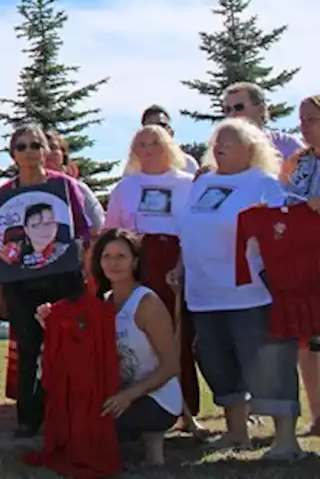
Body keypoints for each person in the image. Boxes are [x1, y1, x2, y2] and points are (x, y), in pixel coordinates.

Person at [170, 118, 304, 460]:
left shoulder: (264, 184)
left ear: (251, 148)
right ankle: (236, 431)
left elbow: (282, 236)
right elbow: (189, 231)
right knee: (217, 362)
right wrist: (180, 267)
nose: (219, 147)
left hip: (250, 294)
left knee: (268, 362)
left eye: (228, 141)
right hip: (203, 294)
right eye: (216, 141)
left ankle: (286, 440)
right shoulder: (203, 182)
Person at [50, 229, 181, 467]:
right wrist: (49, 322)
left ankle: (150, 438)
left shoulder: (147, 303)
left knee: (91, 426)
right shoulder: (105, 300)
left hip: (156, 397)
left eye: (121, 256)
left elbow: (171, 366)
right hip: (118, 393)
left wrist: (129, 396)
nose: (113, 263)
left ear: (135, 262)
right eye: (107, 256)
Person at [103, 124, 203, 436]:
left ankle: (188, 410)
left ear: (169, 146)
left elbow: (194, 228)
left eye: (154, 143)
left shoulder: (187, 183)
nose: (148, 150)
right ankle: (140, 405)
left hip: (176, 260)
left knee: (179, 335)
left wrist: (181, 264)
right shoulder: (126, 187)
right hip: (137, 260)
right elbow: (111, 231)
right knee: (139, 338)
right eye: (141, 144)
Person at [0, 123, 89, 438]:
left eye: (36, 145)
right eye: (22, 146)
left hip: (63, 278)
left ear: (47, 150)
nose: (30, 152)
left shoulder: (65, 185)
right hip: (21, 282)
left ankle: (72, 410)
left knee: (68, 345)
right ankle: (29, 417)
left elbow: (84, 230)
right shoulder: (4, 194)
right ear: (13, 154)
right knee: (29, 347)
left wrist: (85, 266)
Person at [280, 94, 320, 434]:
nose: (304, 126)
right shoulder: (297, 161)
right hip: (304, 263)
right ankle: (318, 416)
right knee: (310, 341)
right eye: (302, 119)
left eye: (312, 119)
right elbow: (283, 199)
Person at [222, 82, 305, 163]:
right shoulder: (220, 152)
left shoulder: (287, 145)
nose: (232, 114)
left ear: (260, 109)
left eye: (239, 107)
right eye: (228, 110)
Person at [140, 105, 200, 174]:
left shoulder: (188, 165)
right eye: (150, 127)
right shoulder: (134, 168)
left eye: (161, 125)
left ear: (171, 132)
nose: (156, 130)